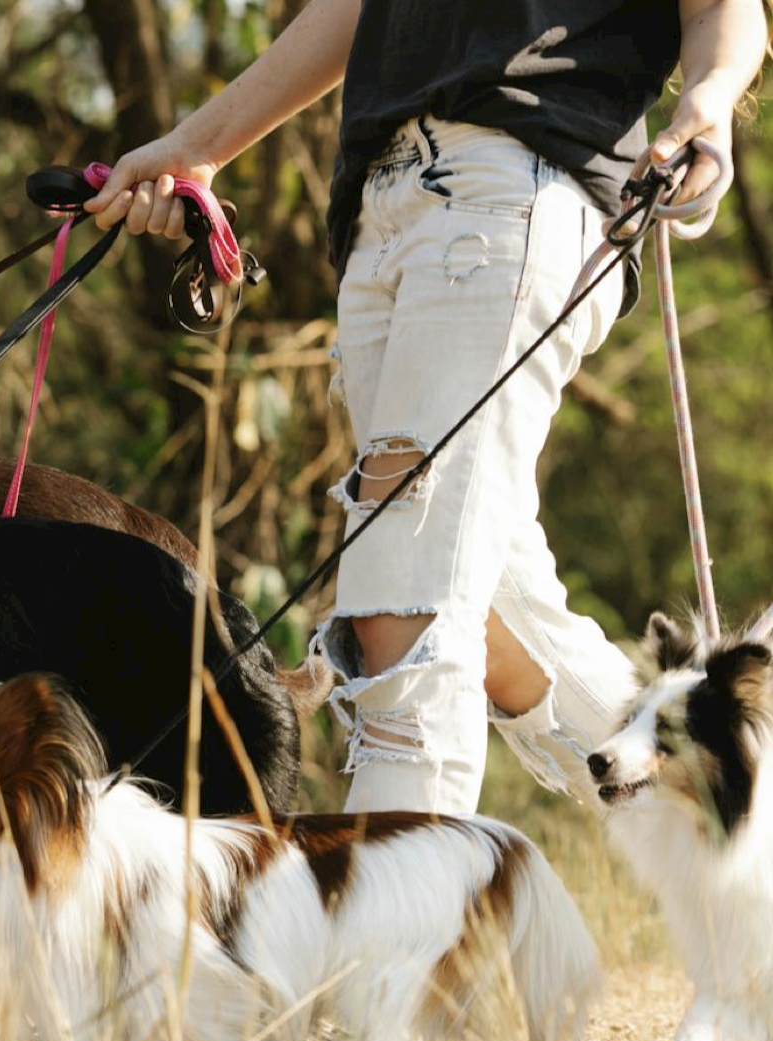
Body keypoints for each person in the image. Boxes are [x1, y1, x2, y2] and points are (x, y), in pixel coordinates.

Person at [85, 0, 768, 814]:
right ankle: (741, 823)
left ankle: (393, 896)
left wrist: (711, 97)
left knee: (405, 618)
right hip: (377, 212)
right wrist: (198, 147)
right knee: (499, 621)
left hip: (509, 183)